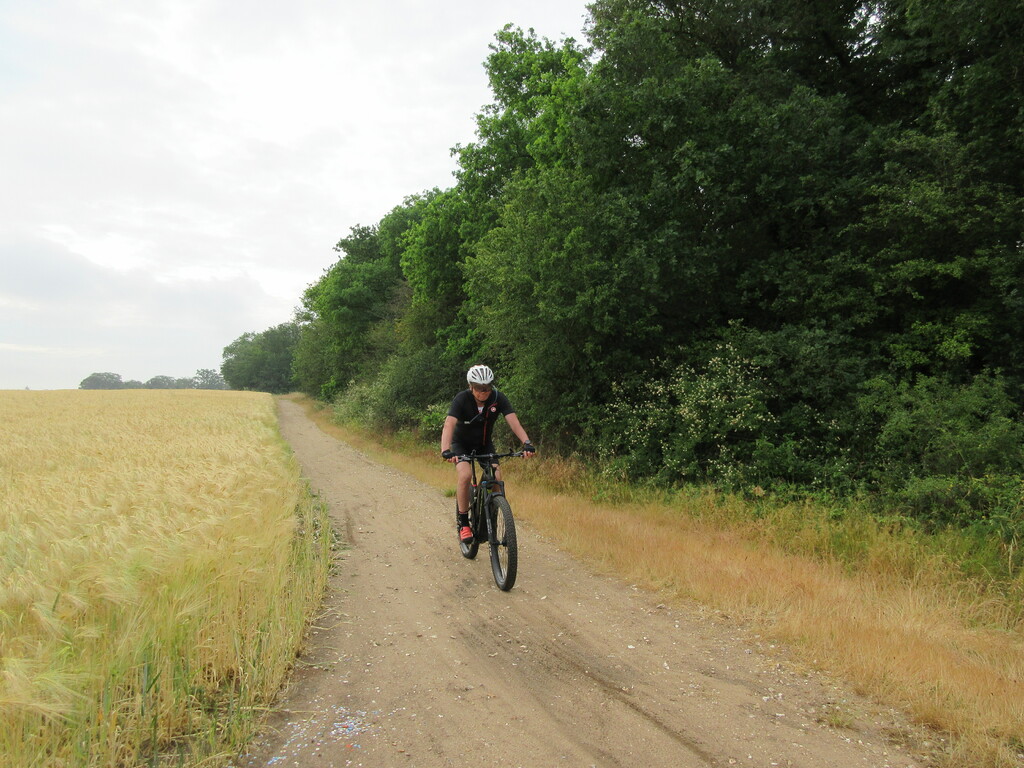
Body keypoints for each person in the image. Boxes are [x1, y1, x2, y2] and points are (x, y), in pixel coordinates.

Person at [440, 364, 535, 543]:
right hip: (461, 445)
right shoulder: (461, 399)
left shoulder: (498, 398)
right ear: (471, 386)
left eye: (487, 388)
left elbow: (514, 422)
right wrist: (446, 450)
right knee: (465, 475)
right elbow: (449, 424)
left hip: (484, 445)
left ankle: (493, 514)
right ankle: (464, 523)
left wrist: (527, 443)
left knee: (496, 476)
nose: (484, 392)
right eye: (479, 388)